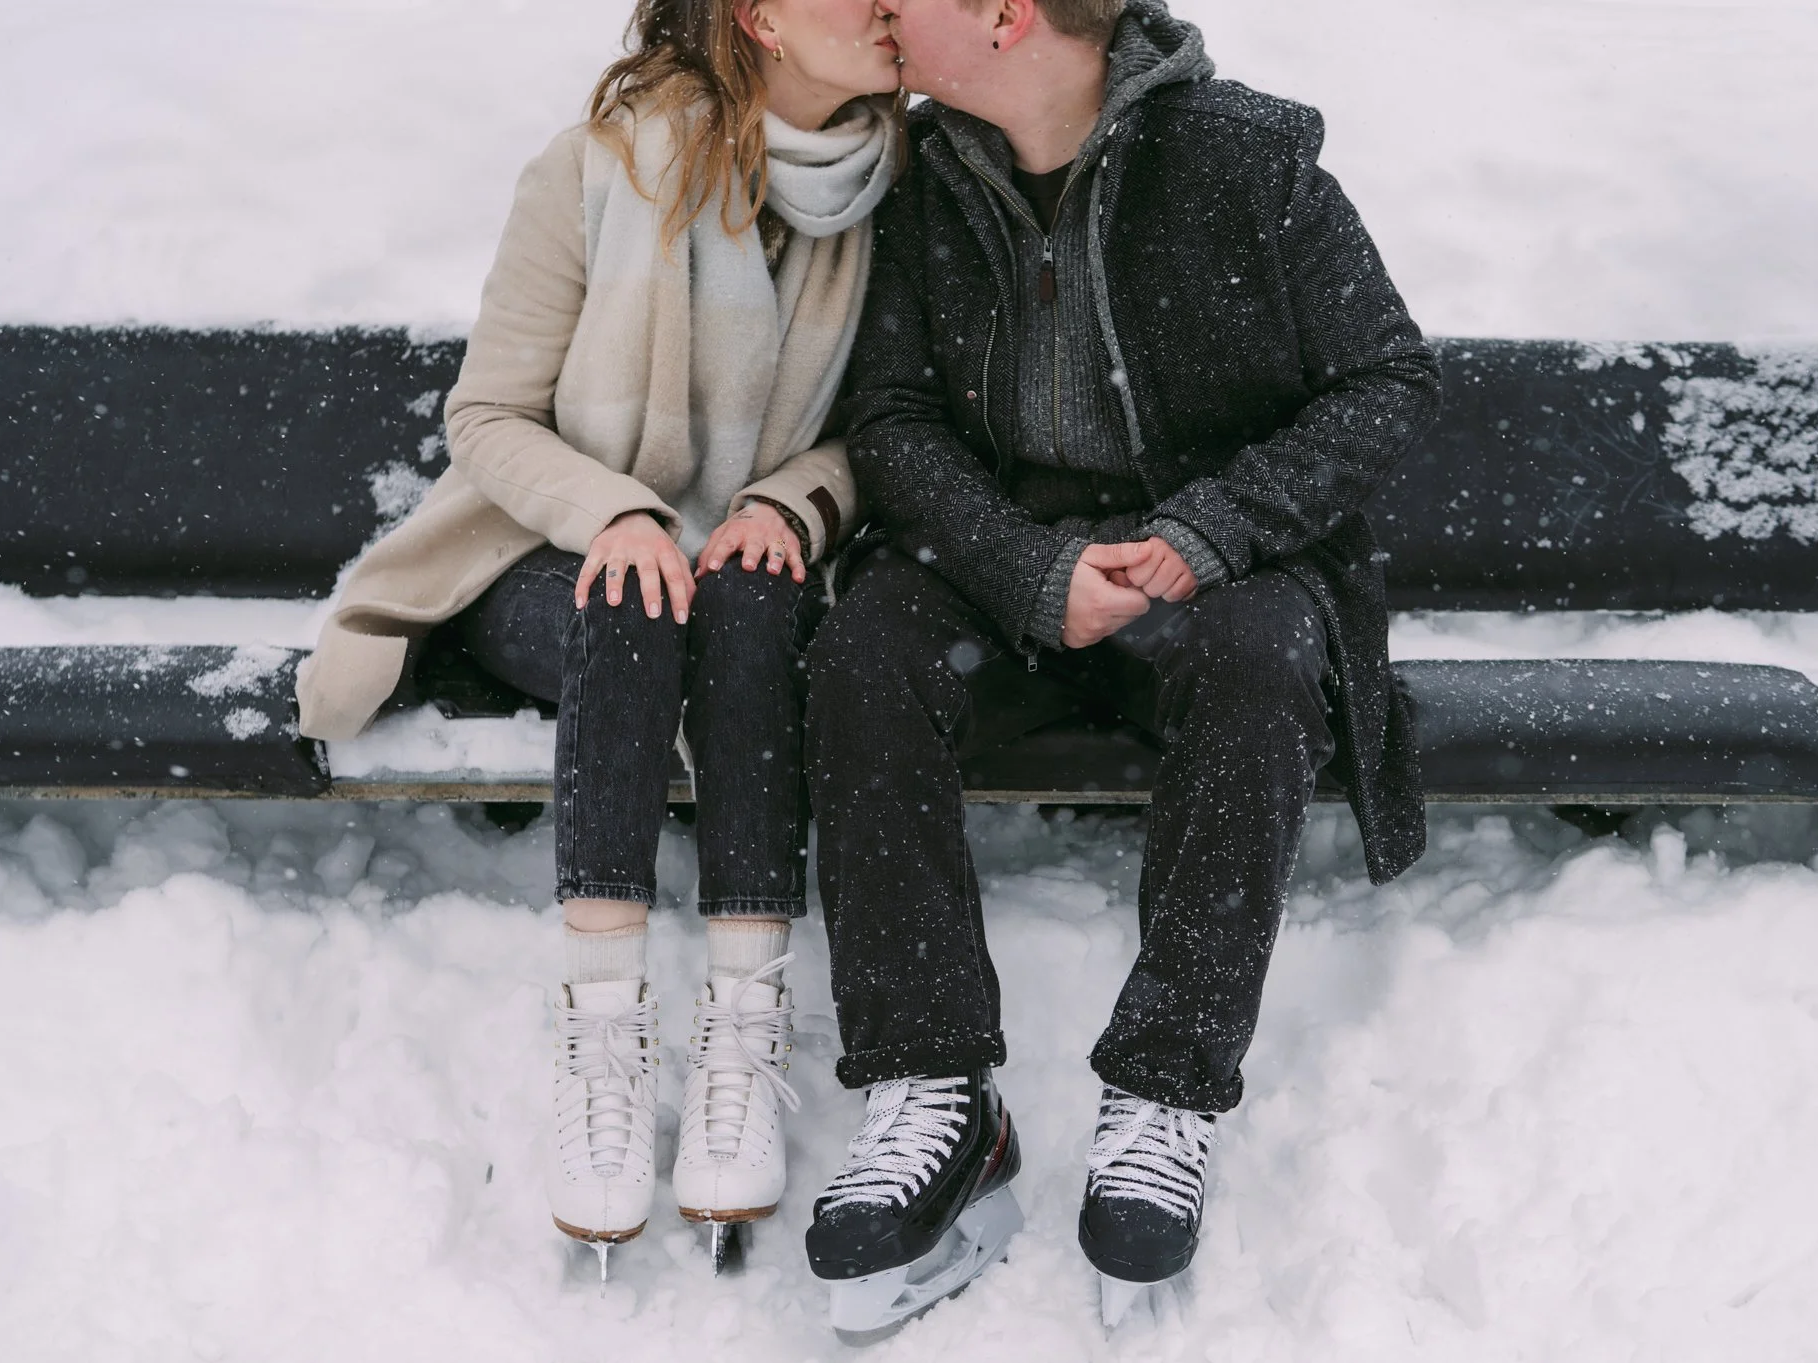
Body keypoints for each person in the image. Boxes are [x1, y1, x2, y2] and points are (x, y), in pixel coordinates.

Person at [797, 0, 1441, 1332]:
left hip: (1208, 579)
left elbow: (1386, 382)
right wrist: (1023, 565)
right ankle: (932, 1087)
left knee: (1265, 654)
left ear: (1002, 13)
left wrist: (1210, 530)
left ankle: (1166, 1091)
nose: (876, 13)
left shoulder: (1244, 160)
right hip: (1010, 578)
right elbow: (896, 420)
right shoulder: (918, 182)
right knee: (863, 643)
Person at [294, 0, 904, 1273]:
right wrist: (616, 509)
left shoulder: (898, 193)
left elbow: (897, 425)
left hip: (753, 568)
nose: (892, 8)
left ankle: (743, 1024)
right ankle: (604, 1039)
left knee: (736, 594)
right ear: (765, 18)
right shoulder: (594, 170)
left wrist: (793, 497)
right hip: (549, 561)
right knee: (633, 599)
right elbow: (492, 417)